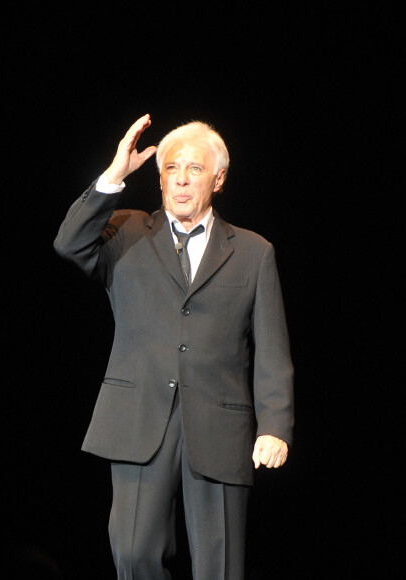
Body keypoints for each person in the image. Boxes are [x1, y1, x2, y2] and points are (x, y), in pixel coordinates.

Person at [53, 114, 294, 579]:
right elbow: (68, 244)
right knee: (133, 553)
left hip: (219, 422)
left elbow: (272, 347)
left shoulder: (253, 251)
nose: (181, 180)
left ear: (219, 179)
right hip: (140, 417)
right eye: (170, 169)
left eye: (195, 169)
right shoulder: (126, 231)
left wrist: (276, 424)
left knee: (219, 567)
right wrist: (113, 176)